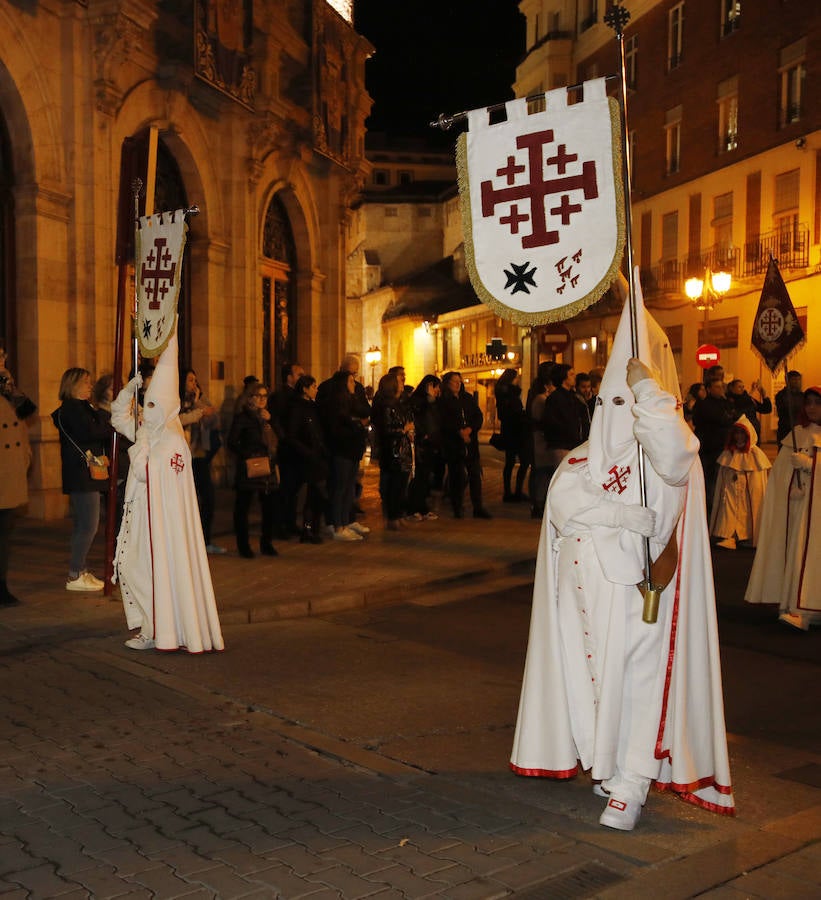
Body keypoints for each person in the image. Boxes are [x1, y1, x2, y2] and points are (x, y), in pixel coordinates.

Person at [511, 278, 734, 831]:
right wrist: (607, 514)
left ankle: (633, 780)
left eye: (627, 399)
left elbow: (676, 450)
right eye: (612, 399)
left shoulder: (666, 450)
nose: (619, 410)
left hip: (640, 595)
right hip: (582, 600)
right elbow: (562, 505)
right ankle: (608, 767)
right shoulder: (584, 457)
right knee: (593, 681)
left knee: (639, 680)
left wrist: (649, 391)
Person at [110, 335, 224, 652]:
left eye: (149, 403)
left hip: (163, 521)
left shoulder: (173, 440)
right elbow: (118, 417)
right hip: (142, 515)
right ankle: (151, 624)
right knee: (135, 567)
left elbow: (157, 477)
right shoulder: (147, 429)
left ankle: (161, 630)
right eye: (144, 401)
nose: (145, 409)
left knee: (157, 569)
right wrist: (127, 390)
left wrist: (142, 459)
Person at [745, 386, 821, 630]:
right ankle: (796, 606)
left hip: (817, 512)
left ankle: (809, 609)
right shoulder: (797, 434)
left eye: (816, 403)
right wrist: (791, 481)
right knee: (797, 551)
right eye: (808, 403)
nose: (811, 407)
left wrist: (811, 465)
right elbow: (781, 474)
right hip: (800, 507)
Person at [51, 368, 111, 592]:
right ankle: (75, 573)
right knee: (89, 526)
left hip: (85, 473)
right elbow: (92, 432)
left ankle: (81, 570)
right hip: (81, 474)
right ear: (72, 385)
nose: (90, 386)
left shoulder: (81, 408)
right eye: (86, 382)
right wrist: (109, 424)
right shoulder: (71, 410)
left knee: (82, 526)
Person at [317, 367, 371, 541]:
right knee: (339, 488)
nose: (353, 384)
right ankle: (337, 525)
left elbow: (364, 414)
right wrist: (357, 425)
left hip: (353, 450)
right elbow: (338, 429)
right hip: (341, 450)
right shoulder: (335, 403)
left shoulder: (352, 400)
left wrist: (357, 423)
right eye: (350, 381)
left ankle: (346, 522)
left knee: (349, 487)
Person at [227, 382, 280, 558]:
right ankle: (244, 546)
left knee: (270, 507)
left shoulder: (267, 417)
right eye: (258, 396)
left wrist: (270, 420)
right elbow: (232, 442)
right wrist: (248, 455)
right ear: (250, 398)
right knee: (243, 506)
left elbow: (281, 437)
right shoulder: (243, 418)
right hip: (250, 467)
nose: (262, 400)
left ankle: (267, 543)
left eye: (265, 396)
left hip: (268, 466)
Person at [180, 368, 225, 555]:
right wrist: (198, 410)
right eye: (190, 380)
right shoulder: (177, 401)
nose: (194, 384)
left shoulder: (199, 398)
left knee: (208, 498)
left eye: (195, 380)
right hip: (183, 457)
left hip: (200, 455)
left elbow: (214, 419)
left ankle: (205, 540)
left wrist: (198, 402)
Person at [709, 415, 771, 550]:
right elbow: (723, 475)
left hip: (747, 491)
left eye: (742, 433)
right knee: (729, 508)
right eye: (736, 433)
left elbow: (758, 484)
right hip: (731, 489)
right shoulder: (728, 453)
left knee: (748, 509)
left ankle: (747, 536)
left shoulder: (756, 455)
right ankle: (729, 535)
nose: (739, 436)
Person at [438, 371, 491, 519]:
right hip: (454, 444)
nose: (458, 384)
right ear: (447, 383)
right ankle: (457, 506)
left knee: (474, 474)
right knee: (457, 476)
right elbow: (443, 422)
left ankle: (478, 507)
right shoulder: (443, 401)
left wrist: (470, 429)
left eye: (459, 381)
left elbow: (477, 416)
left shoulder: (467, 398)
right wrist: (459, 432)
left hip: (470, 443)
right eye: (454, 381)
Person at [287, 374, 328, 544]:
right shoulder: (297, 408)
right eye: (313, 386)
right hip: (306, 458)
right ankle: (308, 529)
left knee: (317, 495)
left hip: (317, 456)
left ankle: (313, 528)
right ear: (305, 389)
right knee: (313, 493)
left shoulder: (314, 407)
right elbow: (292, 435)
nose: (316, 390)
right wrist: (307, 452)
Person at [371, 372, 415, 530]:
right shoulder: (387, 405)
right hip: (393, 450)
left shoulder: (398, 403)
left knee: (402, 485)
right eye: (399, 381)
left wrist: (408, 431)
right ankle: (392, 517)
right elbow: (387, 428)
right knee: (394, 486)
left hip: (402, 449)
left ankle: (398, 514)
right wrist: (404, 429)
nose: (402, 383)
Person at [0, 389, 30, 606]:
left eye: (2, 356)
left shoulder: (8, 393)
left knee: (3, 537)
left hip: (9, 476)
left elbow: (29, 411)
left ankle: (1, 586)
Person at [268, 362, 305, 538]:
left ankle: (290, 522)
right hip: (286, 448)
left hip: (295, 447)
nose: (302, 378)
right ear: (289, 377)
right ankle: (280, 524)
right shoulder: (280, 396)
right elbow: (276, 421)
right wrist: (285, 439)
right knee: (284, 488)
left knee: (293, 488)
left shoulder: (297, 396)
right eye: (299, 374)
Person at [692, 376, 734, 512]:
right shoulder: (705, 405)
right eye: (717, 386)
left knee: (721, 479)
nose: (720, 389)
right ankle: (709, 507)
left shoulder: (725, 402)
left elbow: (733, 417)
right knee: (710, 480)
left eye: (722, 386)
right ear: (709, 389)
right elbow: (722, 419)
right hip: (709, 448)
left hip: (722, 446)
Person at [541, 364, 589, 470]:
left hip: (574, 444)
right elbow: (552, 422)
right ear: (563, 377)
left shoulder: (573, 397)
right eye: (571, 374)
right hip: (562, 445)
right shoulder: (555, 398)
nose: (574, 377)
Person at [407, 375, 442, 520]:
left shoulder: (433, 403)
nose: (438, 390)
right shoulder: (417, 402)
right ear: (429, 386)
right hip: (420, 445)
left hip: (431, 445)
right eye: (436, 387)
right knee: (418, 478)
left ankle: (422, 508)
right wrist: (423, 435)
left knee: (425, 478)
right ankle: (413, 509)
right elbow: (416, 421)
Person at [495, 368, 530, 502]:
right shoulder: (508, 393)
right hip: (516, 431)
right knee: (522, 461)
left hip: (510, 430)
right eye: (516, 377)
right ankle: (514, 491)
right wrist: (523, 416)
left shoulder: (504, 392)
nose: (518, 380)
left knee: (511, 462)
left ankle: (510, 491)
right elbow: (511, 413)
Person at [526, 362, 556, 520]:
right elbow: (540, 419)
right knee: (541, 472)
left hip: (539, 439)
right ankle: (537, 503)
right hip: (540, 440)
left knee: (540, 472)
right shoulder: (540, 399)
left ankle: (537, 503)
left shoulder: (536, 394)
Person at [775, 370, 803, 446]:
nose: (797, 382)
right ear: (788, 380)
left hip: (799, 429)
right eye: (794, 379)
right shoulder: (781, 395)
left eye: (798, 379)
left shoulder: (802, 395)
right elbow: (782, 411)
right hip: (785, 429)